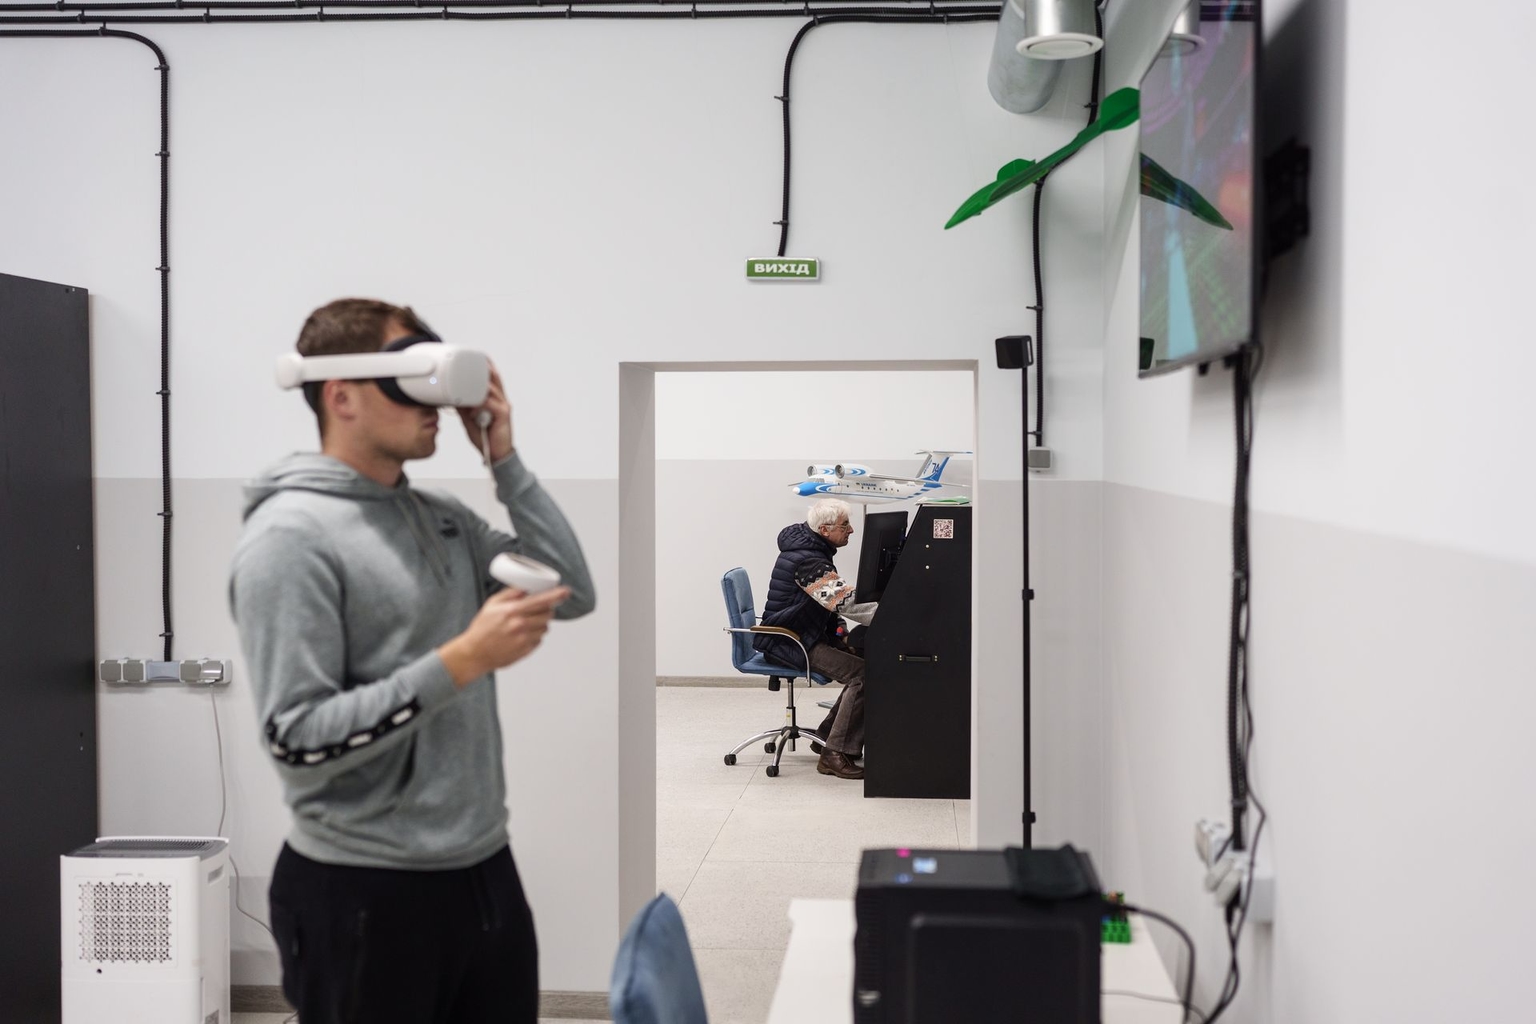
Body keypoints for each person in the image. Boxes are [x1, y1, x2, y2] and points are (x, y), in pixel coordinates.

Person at [228, 298, 595, 1024]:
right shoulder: (290, 540)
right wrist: (460, 660)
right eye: (410, 378)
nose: (435, 404)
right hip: (362, 889)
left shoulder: (443, 520)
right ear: (341, 396)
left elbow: (570, 591)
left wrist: (505, 459)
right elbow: (297, 740)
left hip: (484, 868)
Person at [755, 498, 876, 780]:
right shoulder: (808, 560)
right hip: (789, 641)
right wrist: (894, 615)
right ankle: (833, 754)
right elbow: (843, 601)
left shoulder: (812, 549)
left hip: (803, 634)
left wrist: (841, 632)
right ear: (824, 529)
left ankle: (827, 736)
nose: (851, 530)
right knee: (864, 675)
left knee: (862, 663)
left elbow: (830, 604)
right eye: (845, 525)